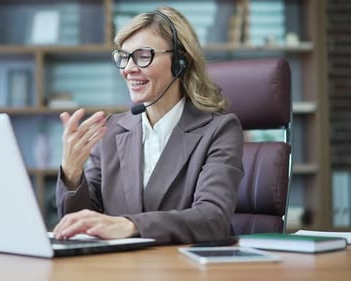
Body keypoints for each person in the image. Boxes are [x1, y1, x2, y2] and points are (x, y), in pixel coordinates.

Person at [52, 6, 244, 245]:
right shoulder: (111, 130)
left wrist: (130, 225)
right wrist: (71, 173)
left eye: (143, 56)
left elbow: (212, 219)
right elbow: (79, 224)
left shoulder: (219, 130)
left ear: (180, 62)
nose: (129, 69)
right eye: (124, 57)